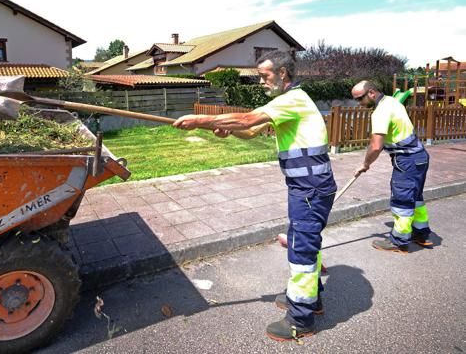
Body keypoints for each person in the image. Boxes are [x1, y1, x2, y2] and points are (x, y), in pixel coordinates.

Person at [173, 50, 336, 342]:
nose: (261, 81)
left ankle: (301, 319)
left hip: (309, 188)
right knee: (305, 242)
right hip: (307, 187)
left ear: (283, 74)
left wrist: (201, 120)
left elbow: (248, 120)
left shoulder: (293, 100)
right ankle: (312, 299)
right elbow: (251, 130)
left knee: (302, 248)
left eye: (265, 76)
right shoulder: (289, 102)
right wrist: (228, 130)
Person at [352, 80, 432, 252]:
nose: (358, 103)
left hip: (406, 161)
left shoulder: (380, 111)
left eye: (359, 98)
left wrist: (365, 164)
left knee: (402, 201)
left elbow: (375, 146)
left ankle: (399, 241)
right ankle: (420, 233)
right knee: (415, 198)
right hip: (420, 157)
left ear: (371, 93)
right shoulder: (392, 101)